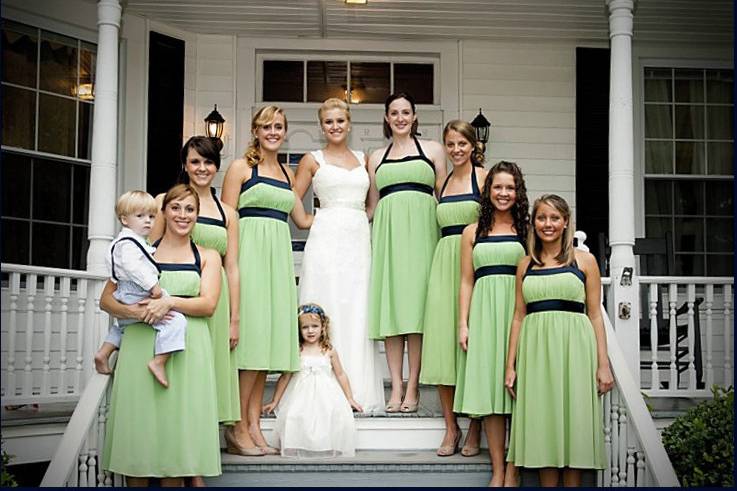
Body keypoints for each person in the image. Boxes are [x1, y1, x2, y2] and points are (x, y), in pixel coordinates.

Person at [101, 184, 222, 485]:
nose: (183, 215)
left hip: (187, 351)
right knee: (138, 441)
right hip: (140, 346)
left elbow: (208, 304)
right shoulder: (140, 253)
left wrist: (168, 302)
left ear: (197, 215)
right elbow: (107, 300)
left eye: (190, 209)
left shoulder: (207, 256)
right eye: (176, 208)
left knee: (177, 448)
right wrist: (136, 313)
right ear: (163, 212)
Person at [221, 105, 313, 456]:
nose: (273, 131)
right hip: (249, 259)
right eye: (266, 126)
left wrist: (348, 216)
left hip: (278, 261)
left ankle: (254, 423)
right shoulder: (241, 168)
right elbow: (227, 219)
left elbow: (302, 220)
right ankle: (237, 426)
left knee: (266, 347)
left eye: (278, 126)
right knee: (251, 346)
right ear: (255, 131)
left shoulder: (289, 175)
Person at [504, 194, 614, 487]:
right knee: (543, 425)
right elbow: (518, 316)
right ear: (533, 223)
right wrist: (510, 365)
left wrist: (603, 365)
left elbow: (595, 315)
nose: (548, 224)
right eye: (542, 218)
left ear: (566, 222)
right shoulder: (525, 264)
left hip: (574, 351)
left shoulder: (585, 261)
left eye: (554, 218)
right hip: (536, 353)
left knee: (573, 422)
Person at [293, 98, 384, 414]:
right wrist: (308, 220)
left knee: (355, 307)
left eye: (340, 121)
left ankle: (356, 389)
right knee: (326, 302)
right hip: (325, 237)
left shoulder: (364, 158)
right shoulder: (312, 159)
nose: (335, 126)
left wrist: (357, 218)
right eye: (329, 121)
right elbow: (293, 197)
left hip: (356, 240)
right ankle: (318, 390)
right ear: (321, 126)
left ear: (349, 123)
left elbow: (373, 203)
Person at [150, 136, 241, 428]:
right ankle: (174, 436)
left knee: (208, 371)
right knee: (177, 369)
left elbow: (233, 266)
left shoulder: (227, 212)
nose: (202, 168)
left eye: (209, 162)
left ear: (217, 167)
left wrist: (234, 319)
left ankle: (204, 446)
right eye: (195, 161)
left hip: (214, 300)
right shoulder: (166, 203)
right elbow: (149, 255)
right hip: (172, 297)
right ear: (185, 165)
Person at [367, 92, 447, 413]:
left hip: (423, 235)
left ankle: (413, 385)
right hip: (388, 236)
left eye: (406, 112)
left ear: (414, 117)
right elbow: (371, 206)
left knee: (415, 311)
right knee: (392, 310)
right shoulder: (375, 157)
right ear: (387, 118)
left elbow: (444, 194)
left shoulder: (433, 150)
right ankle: (395, 385)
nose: (400, 118)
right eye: (394, 113)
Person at [454, 161, 529, 486]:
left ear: (518, 192)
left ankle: (514, 468)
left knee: (520, 391)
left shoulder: (527, 231)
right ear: (488, 191)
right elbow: (466, 281)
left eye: (509, 188)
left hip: (520, 315)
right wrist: (463, 323)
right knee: (491, 394)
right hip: (484, 314)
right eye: (497, 187)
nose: (503, 193)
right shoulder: (472, 232)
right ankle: (498, 469)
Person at [419, 120, 486, 456]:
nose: (457, 150)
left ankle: (475, 427)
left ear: (473, 145)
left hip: (476, 264)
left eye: (462, 144)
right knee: (444, 346)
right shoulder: (442, 182)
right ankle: (451, 428)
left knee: (474, 345)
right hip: (444, 261)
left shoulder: (485, 179)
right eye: (451, 144)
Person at [94, 190, 187, 389]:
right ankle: (159, 361)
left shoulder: (123, 242)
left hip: (124, 291)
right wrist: (154, 288)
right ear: (124, 219)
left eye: (152, 217)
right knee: (176, 319)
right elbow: (134, 268)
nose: (148, 221)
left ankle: (104, 352)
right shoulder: (129, 245)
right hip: (137, 290)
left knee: (123, 325)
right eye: (140, 216)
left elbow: (117, 268)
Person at [263, 303, 363, 457]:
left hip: (326, 394)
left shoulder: (328, 350)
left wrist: (349, 398)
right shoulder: (297, 351)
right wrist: (275, 401)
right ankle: (298, 443)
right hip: (301, 394)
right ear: (299, 329)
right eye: (305, 327)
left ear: (323, 327)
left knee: (331, 413)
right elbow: (285, 377)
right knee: (296, 414)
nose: (310, 331)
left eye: (315, 326)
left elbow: (341, 374)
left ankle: (326, 445)